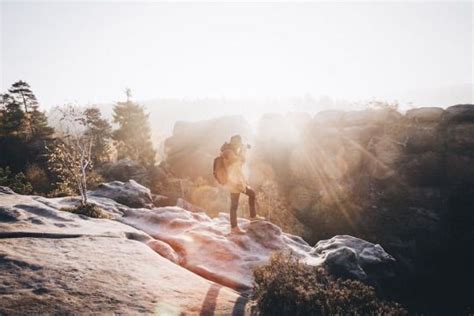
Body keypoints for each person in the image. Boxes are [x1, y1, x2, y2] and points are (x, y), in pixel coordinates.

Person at [220, 135, 263, 234]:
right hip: (234, 183)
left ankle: (252, 217)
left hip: (237, 181)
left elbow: (237, 164)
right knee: (234, 205)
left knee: (251, 194)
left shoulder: (230, 151)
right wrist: (243, 150)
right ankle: (234, 227)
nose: (239, 145)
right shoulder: (228, 152)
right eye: (238, 143)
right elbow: (240, 161)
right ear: (234, 142)